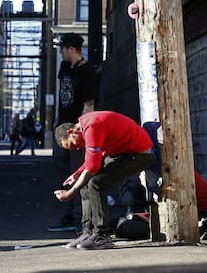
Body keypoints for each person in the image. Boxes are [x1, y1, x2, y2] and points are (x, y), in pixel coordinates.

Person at [53, 111, 154, 250]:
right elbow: (94, 158)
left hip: (140, 153)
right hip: (122, 153)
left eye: (72, 145)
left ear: (71, 131)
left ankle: (101, 235)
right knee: (84, 184)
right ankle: (87, 232)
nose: (76, 148)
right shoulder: (86, 125)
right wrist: (78, 174)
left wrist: (71, 192)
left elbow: (93, 165)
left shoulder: (92, 126)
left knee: (96, 183)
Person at [48, 32, 99, 232]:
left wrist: (82, 129)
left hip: (77, 131)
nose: (60, 51)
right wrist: (55, 123)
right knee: (61, 169)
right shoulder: (64, 67)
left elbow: (89, 104)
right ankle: (68, 215)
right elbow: (62, 97)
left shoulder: (87, 72)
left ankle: (80, 218)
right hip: (62, 127)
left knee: (78, 172)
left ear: (71, 48)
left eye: (62, 48)